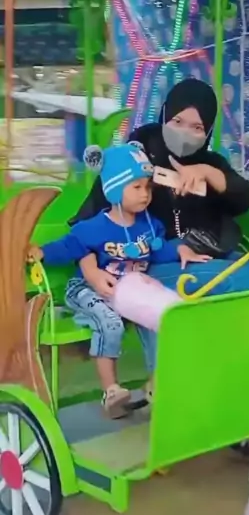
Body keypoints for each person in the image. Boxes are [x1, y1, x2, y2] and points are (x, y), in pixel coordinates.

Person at [27, 142, 206, 418]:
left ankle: (159, 381)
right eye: (136, 187)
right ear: (114, 189)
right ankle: (111, 391)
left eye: (148, 187)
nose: (145, 194)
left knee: (160, 316)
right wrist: (41, 252)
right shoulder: (93, 228)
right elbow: (69, 247)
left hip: (125, 291)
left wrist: (180, 249)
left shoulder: (150, 226)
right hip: (86, 288)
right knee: (109, 322)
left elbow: (157, 251)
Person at [72, 77, 249, 296]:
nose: (185, 133)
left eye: (197, 127)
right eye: (178, 121)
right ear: (165, 116)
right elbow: (83, 225)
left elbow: (245, 199)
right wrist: (91, 272)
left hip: (211, 250)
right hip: (152, 262)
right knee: (230, 277)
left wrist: (206, 173)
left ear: (208, 130)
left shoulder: (211, 162)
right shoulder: (131, 160)